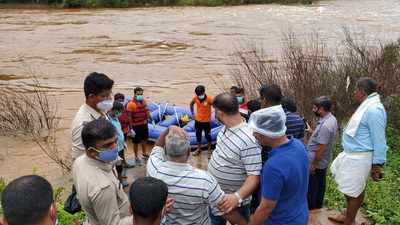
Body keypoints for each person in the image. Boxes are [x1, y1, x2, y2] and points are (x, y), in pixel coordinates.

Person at [147, 125, 247, 225]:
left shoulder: (154, 168)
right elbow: (225, 210)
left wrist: (169, 129)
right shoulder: (205, 181)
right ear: (188, 152)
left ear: (166, 150)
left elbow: (157, 146)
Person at [329, 78, 388, 225]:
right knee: (351, 187)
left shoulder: (375, 110)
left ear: (362, 91)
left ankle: (349, 221)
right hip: (352, 155)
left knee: (354, 191)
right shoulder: (367, 106)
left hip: (360, 157)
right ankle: (348, 214)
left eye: (355, 90)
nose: (354, 93)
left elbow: (379, 139)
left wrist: (378, 164)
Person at [247, 105, 309, 225]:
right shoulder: (298, 145)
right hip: (300, 215)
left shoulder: (273, 166)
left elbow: (266, 208)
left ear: (265, 133)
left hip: (281, 221)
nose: (255, 136)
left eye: (256, 133)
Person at [208, 93, 262, 225]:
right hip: (215, 196)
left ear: (220, 113)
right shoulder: (225, 129)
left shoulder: (249, 139)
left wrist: (236, 197)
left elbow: (254, 176)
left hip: (234, 203)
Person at [73, 118, 133, 225]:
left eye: (115, 141)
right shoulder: (103, 188)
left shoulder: (79, 162)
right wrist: (142, 219)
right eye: (107, 145)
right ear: (91, 151)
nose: (114, 147)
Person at [71, 72, 114, 161]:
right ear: (91, 97)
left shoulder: (101, 110)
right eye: (104, 96)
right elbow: (79, 159)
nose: (110, 98)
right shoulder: (82, 124)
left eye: (110, 94)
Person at [306, 96, 338, 210]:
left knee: (313, 188)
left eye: (315, 108)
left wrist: (313, 164)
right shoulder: (331, 119)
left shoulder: (325, 126)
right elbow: (324, 138)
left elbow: (321, 147)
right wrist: (313, 132)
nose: (313, 110)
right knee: (320, 184)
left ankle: (312, 210)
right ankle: (318, 206)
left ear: (322, 109)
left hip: (317, 162)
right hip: (323, 161)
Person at [127, 87, 151, 166]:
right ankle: (136, 156)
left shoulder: (143, 101)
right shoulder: (131, 104)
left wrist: (149, 117)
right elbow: (129, 117)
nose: (140, 95)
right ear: (134, 94)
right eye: (138, 94)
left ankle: (144, 153)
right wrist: (130, 128)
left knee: (144, 140)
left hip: (144, 124)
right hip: (136, 126)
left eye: (141, 94)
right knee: (136, 142)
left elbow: (146, 110)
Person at [108, 101, 129, 188]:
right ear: (112, 110)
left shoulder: (116, 118)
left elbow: (119, 131)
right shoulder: (108, 120)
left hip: (120, 145)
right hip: (114, 148)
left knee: (119, 166)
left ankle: (120, 179)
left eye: (120, 111)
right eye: (118, 111)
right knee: (116, 166)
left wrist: (123, 142)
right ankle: (119, 182)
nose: (119, 113)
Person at [190, 85, 213, 156]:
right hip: (198, 121)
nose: (199, 96)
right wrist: (193, 113)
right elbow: (191, 104)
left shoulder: (209, 99)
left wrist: (217, 115)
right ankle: (199, 149)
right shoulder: (195, 98)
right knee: (198, 135)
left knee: (208, 136)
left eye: (200, 94)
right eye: (198, 95)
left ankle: (209, 150)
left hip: (206, 121)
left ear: (204, 92)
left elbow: (216, 106)